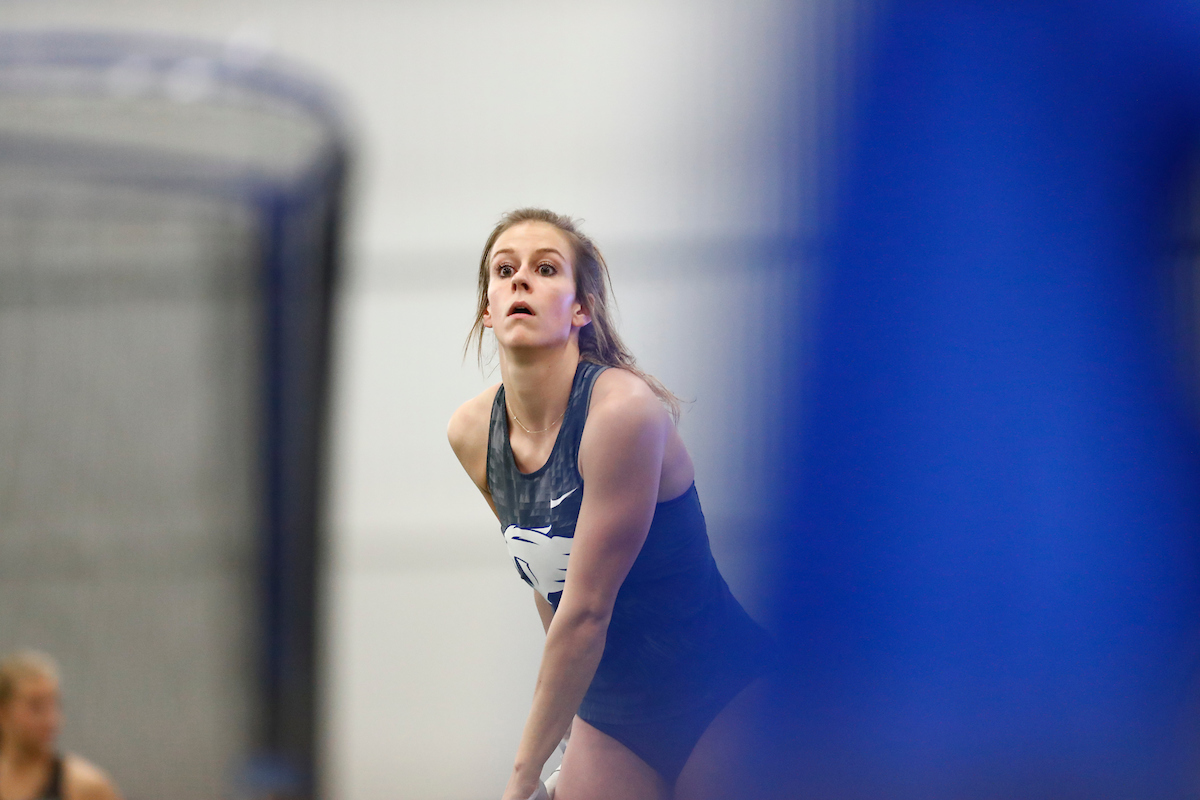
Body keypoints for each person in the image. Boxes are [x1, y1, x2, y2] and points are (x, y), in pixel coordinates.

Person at [447, 208, 776, 800]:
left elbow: (588, 611)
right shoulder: (473, 433)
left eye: (545, 269)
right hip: (612, 717)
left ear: (581, 309)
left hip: (719, 698)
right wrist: (569, 729)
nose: (520, 279)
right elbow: (550, 582)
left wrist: (521, 778)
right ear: (487, 309)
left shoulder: (622, 413)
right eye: (504, 270)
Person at [0, 651, 121, 800]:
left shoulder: (85, 787)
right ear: (3, 712)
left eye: (55, 705)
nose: (51, 720)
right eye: (36, 707)